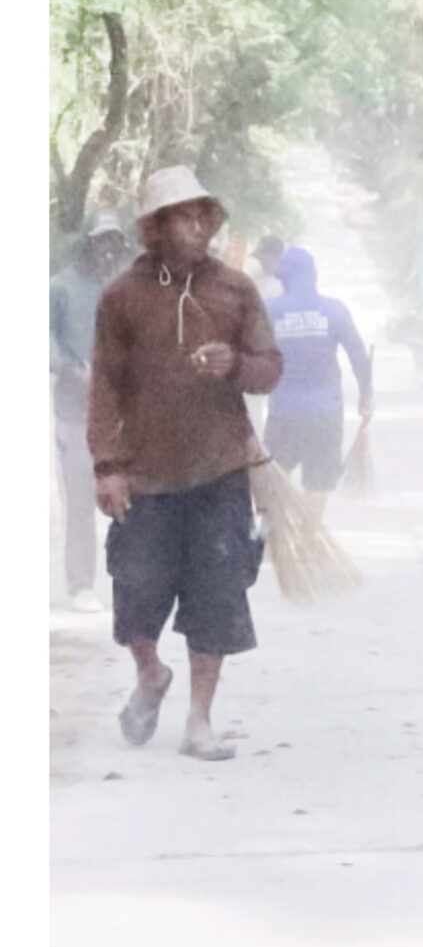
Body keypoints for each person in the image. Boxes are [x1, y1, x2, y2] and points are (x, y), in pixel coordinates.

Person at [88, 168, 284, 762]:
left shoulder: (235, 290)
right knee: (137, 593)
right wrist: (107, 466)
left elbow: (270, 367)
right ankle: (150, 674)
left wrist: (233, 364)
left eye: (203, 213)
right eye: (182, 215)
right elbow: (105, 386)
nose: (197, 224)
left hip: (220, 471)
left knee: (216, 596)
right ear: (155, 227)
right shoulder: (122, 297)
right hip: (145, 477)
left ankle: (199, 721)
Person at [50, 220, 132, 606]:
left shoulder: (123, 288)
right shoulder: (60, 287)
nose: (108, 251)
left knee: (132, 499)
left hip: (124, 416)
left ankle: (132, 580)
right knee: (82, 500)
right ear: (87, 245)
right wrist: (70, 365)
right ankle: (81, 583)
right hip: (75, 412)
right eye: (101, 243)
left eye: (115, 244)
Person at [263, 245, 374, 495]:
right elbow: (358, 355)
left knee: (276, 483)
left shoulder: (270, 310)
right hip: (325, 413)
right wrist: (366, 396)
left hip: (283, 412)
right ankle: (309, 531)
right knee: (319, 484)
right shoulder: (334, 310)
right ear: (313, 275)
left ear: (283, 277)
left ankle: (281, 531)